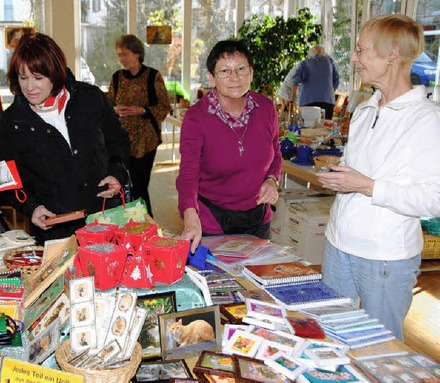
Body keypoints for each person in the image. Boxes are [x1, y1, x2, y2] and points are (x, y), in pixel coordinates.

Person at [315, 14, 440, 341]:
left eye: (362, 51)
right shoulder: (365, 110)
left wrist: (366, 186)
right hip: (337, 246)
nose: (354, 59)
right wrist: (340, 177)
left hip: (384, 259)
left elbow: (434, 199)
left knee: (378, 351)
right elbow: (363, 171)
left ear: (392, 55)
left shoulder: (427, 120)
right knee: (331, 338)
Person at [0, 33, 130, 244]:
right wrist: (32, 207)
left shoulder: (90, 98)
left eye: (38, 78)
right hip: (56, 233)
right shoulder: (12, 122)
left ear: (55, 73)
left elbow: (118, 142)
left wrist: (116, 174)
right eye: (23, 78)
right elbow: (9, 182)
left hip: (105, 221)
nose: (30, 87)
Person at [176, 39, 282, 253]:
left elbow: (276, 155)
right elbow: (188, 174)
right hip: (212, 221)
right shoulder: (197, 118)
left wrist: (272, 180)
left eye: (241, 69)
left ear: (251, 72)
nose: (235, 77)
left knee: (255, 283)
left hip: (258, 219)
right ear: (212, 77)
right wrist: (190, 215)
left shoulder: (266, 108)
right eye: (225, 71)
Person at [107, 34, 170, 217]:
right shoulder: (117, 78)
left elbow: (164, 107)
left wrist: (141, 110)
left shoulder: (152, 76)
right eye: (119, 55)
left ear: (137, 53)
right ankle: (127, 226)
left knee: (140, 186)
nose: (122, 59)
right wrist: (115, 109)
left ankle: (147, 226)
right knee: (122, 186)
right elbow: (108, 106)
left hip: (145, 141)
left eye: (125, 54)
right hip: (120, 140)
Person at [291, 44, 340, 119]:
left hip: (309, 101)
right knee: (326, 127)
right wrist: (329, 92)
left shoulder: (305, 63)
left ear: (311, 54)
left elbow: (295, 80)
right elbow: (336, 79)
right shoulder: (329, 61)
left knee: (308, 128)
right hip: (328, 101)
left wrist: (292, 98)